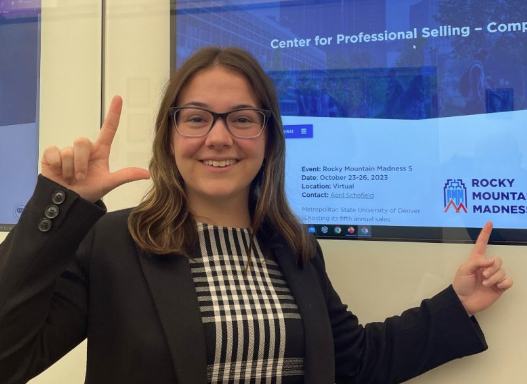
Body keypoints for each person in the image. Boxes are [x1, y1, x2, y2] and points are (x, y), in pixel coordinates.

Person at [0, 46, 513, 384]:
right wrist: (59, 206)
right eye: (197, 118)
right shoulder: (115, 241)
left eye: (241, 119)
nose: (218, 137)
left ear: (267, 140)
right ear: (170, 136)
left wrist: (457, 304)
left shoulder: (293, 247)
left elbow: (352, 362)